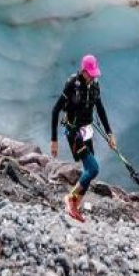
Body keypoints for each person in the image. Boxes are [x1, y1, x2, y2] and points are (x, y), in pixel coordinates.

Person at [51, 54, 116, 222]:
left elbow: (100, 110)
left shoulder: (94, 85)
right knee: (93, 168)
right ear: (84, 71)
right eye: (91, 73)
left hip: (87, 131)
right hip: (74, 132)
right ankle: (70, 198)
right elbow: (55, 110)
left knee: (89, 171)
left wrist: (110, 134)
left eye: (95, 74)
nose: (93, 76)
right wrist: (54, 140)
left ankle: (76, 206)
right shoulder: (73, 84)